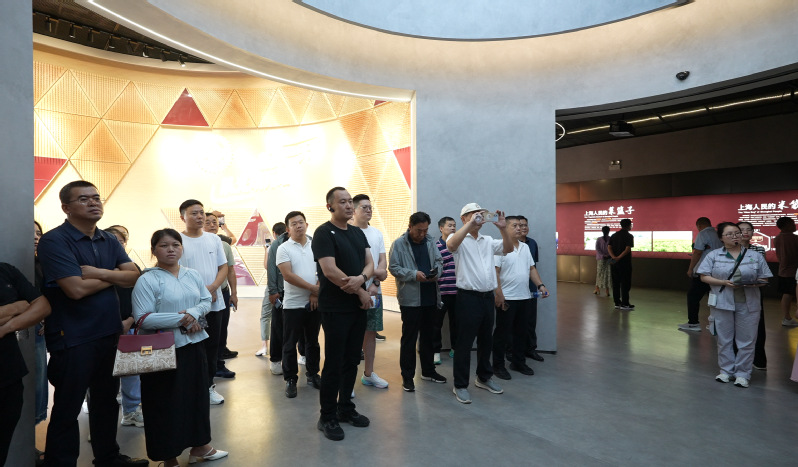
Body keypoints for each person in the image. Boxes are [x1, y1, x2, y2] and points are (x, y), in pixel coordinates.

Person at [37, 180, 146, 466]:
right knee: (68, 406)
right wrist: (114, 276)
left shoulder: (108, 239)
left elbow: (134, 276)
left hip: (108, 333)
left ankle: (108, 457)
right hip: (73, 336)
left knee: (106, 402)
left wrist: (99, 273)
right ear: (66, 207)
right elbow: (75, 289)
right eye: (84, 199)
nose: (93, 202)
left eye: (96, 197)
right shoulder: (55, 241)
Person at [132, 229, 228, 466]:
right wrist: (184, 319)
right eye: (164, 245)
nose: (171, 249)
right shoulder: (147, 279)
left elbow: (205, 300)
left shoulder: (192, 274)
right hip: (161, 350)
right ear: (154, 250)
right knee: (163, 402)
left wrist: (194, 313)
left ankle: (200, 446)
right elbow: (143, 318)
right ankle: (169, 457)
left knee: (196, 397)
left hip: (193, 345)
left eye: (176, 244)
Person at [312, 187, 373, 441]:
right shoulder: (323, 233)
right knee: (334, 363)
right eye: (343, 202)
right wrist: (360, 291)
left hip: (356, 308)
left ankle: (345, 407)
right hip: (335, 308)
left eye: (350, 201)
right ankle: (327, 416)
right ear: (330, 206)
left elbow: (370, 263)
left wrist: (362, 278)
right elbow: (329, 270)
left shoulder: (358, 232)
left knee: (351, 360)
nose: (349, 206)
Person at [446, 203, 512, 404]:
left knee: (486, 340)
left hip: (487, 298)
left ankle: (484, 377)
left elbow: (508, 248)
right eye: (474, 214)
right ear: (463, 218)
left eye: (481, 214)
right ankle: (460, 385)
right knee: (464, 343)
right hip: (467, 298)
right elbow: (451, 246)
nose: (479, 217)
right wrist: (470, 225)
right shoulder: (457, 238)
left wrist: (503, 228)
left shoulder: (488, 240)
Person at [696, 222, 771, 388]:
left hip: (748, 303)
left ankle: (743, 374)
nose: (734, 236)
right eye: (729, 234)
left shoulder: (754, 255)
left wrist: (753, 283)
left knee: (747, 340)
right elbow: (703, 276)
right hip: (722, 302)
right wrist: (723, 282)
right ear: (721, 238)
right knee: (724, 339)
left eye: (737, 233)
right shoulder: (714, 255)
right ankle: (726, 371)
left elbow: (764, 278)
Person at [177, 199, 229, 405]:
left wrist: (213, 287)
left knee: (212, 347)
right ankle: (190, 389)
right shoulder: (177, 240)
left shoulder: (214, 239)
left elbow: (223, 267)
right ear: (183, 217)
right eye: (194, 213)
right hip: (189, 306)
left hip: (214, 304)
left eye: (201, 213)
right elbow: (174, 271)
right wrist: (201, 294)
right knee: (190, 347)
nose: (199, 216)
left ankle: (208, 387)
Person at [389, 212, 448, 392]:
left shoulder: (430, 241)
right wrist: (413, 275)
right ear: (410, 227)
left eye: (425, 230)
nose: (422, 234)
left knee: (429, 337)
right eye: (418, 230)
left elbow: (439, 261)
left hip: (431, 296)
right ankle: (407, 376)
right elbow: (393, 268)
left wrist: (437, 272)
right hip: (410, 300)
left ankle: (428, 371)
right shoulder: (399, 244)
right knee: (409, 339)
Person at [0, 262, 51, 466]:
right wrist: (18, 306)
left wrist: (5, 328)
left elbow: (43, 306)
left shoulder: (5, 271)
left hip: (9, 377)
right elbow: (27, 305)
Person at [492, 216, 550, 380]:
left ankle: (518, 362)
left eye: (520, 225)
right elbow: (495, 271)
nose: (519, 228)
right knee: (502, 334)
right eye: (515, 226)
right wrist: (499, 293)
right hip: (507, 298)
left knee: (521, 333)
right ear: (505, 227)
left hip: (524, 297)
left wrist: (540, 285)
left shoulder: (525, 247)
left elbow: (531, 268)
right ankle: (498, 366)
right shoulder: (499, 247)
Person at [276, 211, 322, 398]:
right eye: (293, 224)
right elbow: (288, 275)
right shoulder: (283, 248)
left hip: (314, 302)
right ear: (288, 229)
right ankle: (290, 379)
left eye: (301, 222)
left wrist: (315, 293)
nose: (298, 226)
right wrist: (312, 288)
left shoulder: (316, 245)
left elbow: (323, 270)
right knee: (290, 343)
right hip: (293, 304)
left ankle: (313, 374)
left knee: (313, 341)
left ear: (307, 224)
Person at [104, 227, 144, 429]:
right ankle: (99, 421)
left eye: (121, 241)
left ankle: (131, 411)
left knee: (131, 372)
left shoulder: (133, 269)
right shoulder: (96, 269)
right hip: (101, 331)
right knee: (102, 376)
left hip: (129, 327)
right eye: (112, 240)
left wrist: (130, 320)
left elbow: (141, 298)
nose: (117, 245)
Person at [352, 194, 390, 390]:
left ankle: (368, 373)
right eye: (364, 207)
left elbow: (383, 261)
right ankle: (347, 381)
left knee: (371, 332)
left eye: (370, 207)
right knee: (351, 334)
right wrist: (374, 274)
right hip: (353, 291)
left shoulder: (376, 233)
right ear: (354, 210)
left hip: (375, 292)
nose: (368, 210)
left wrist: (375, 282)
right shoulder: (348, 232)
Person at [204, 212, 238, 376]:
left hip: (223, 293)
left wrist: (234, 293)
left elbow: (230, 271)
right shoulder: (193, 245)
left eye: (214, 222)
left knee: (221, 330)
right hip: (202, 295)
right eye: (208, 222)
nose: (212, 225)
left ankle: (218, 364)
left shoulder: (224, 245)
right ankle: (205, 366)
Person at [678, 217, 722, 332]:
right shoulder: (717, 234)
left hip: (704, 271)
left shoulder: (703, 234)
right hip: (717, 271)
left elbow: (697, 252)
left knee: (693, 296)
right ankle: (717, 324)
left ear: (699, 225)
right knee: (714, 298)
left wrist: (690, 269)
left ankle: (693, 323)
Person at [737, 222, 767, 370]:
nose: (746, 232)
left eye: (749, 229)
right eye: (742, 230)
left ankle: (759, 359)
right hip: (734, 292)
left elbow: (761, 272)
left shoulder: (758, 250)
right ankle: (737, 359)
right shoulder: (729, 250)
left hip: (754, 290)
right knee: (735, 326)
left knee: (758, 325)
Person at [256, 222, 285, 357]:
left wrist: (266, 251)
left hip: (273, 286)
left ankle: (264, 346)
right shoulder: (288, 245)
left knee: (265, 315)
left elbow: (267, 266)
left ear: (274, 233)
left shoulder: (272, 246)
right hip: (287, 285)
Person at [518, 215, 544, 362]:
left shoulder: (532, 243)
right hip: (514, 290)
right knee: (514, 323)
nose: (523, 228)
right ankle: (512, 351)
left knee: (530, 321)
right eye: (520, 225)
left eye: (525, 225)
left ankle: (530, 349)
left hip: (531, 289)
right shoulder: (508, 244)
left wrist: (539, 285)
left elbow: (533, 267)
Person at [434, 217, 458, 362]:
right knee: (436, 324)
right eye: (449, 225)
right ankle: (436, 351)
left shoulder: (460, 244)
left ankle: (455, 348)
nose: (453, 228)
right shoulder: (435, 246)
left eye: (454, 225)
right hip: (441, 292)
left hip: (458, 292)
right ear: (441, 228)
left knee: (457, 323)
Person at [773, 216, 798, 326]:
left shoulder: (777, 238)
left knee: (787, 294)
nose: (794, 225)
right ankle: (787, 318)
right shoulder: (793, 238)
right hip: (792, 271)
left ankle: (787, 317)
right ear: (786, 225)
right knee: (788, 294)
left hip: (783, 271)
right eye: (792, 223)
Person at [608, 219, 634, 311]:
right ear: (628, 225)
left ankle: (617, 303)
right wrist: (619, 257)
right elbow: (627, 249)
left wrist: (614, 257)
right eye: (631, 224)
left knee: (615, 283)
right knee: (625, 283)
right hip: (625, 263)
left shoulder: (614, 235)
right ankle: (625, 303)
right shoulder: (629, 236)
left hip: (614, 263)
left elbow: (609, 247)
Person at [594, 226, 612, 297]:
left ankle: (599, 289)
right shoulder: (607, 239)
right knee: (605, 274)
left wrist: (605, 255)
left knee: (602, 273)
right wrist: (605, 255)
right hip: (605, 258)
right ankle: (604, 290)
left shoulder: (601, 239)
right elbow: (598, 248)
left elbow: (597, 249)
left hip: (604, 258)